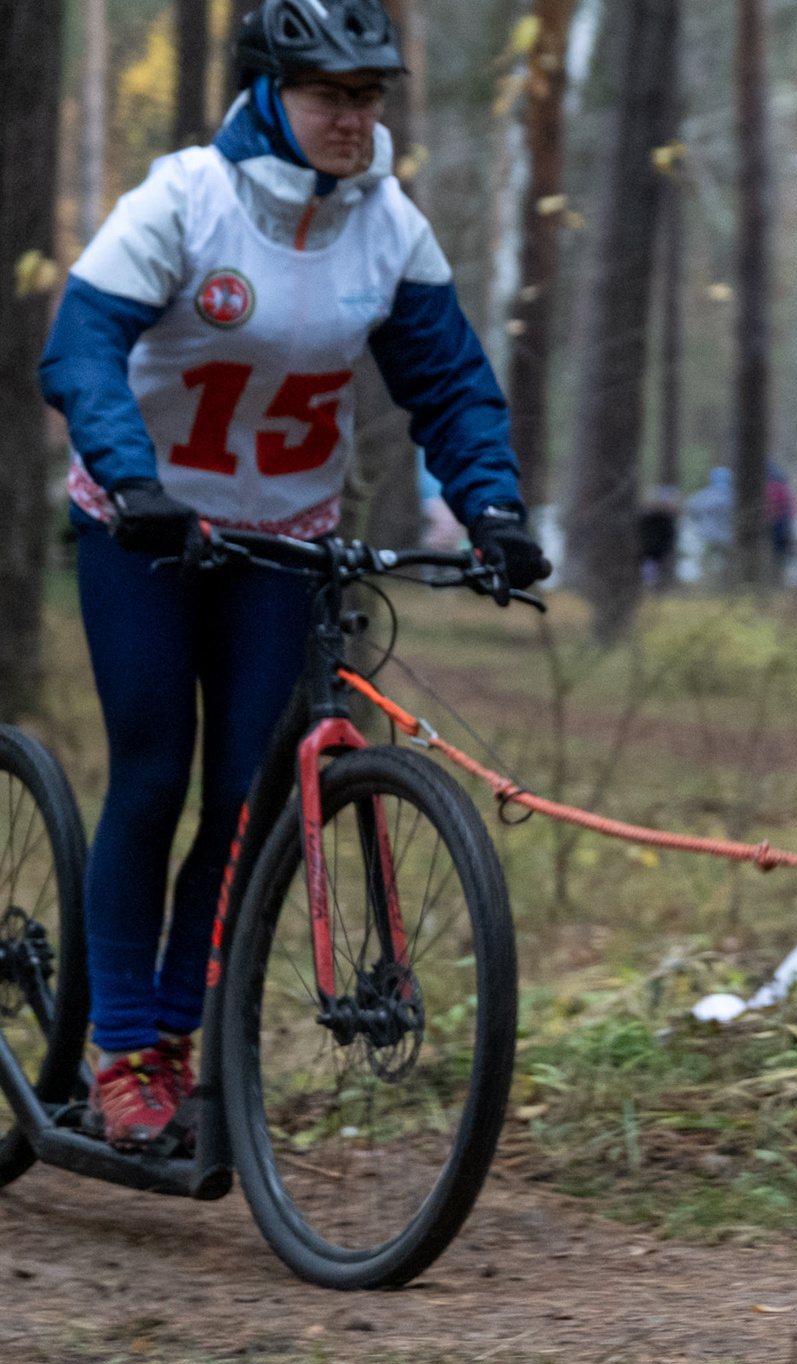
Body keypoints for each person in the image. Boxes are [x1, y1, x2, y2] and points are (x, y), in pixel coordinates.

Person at [37, 0, 548, 1152]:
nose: (353, 119)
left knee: (245, 799)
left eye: (369, 97)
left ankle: (177, 1041)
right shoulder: (184, 200)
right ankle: (122, 1050)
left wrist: (493, 509)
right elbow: (80, 349)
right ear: (271, 94)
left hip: (283, 543)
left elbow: (450, 385)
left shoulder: (390, 228)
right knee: (155, 774)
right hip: (144, 532)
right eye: (329, 96)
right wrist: (133, 480)